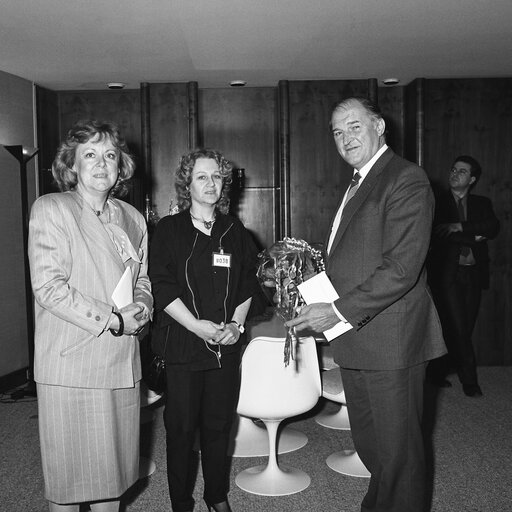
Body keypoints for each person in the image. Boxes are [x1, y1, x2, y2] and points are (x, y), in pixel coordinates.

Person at [286, 97, 446, 512]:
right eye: (337, 132)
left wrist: (335, 311)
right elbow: (355, 258)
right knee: (374, 448)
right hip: (359, 338)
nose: (345, 138)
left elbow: (401, 268)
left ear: (379, 126)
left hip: (391, 341)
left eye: (354, 126)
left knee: (398, 455)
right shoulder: (359, 181)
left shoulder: (405, 178)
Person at [28, 120, 152, 512]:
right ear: (72, 166)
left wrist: (144, 305)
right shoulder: (53, 209)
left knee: (112, 481)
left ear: (121, 165)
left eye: (110, 155)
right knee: (69, 482)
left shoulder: (132, 217)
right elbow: (49, 288)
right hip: (73, 366)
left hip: (120, 365)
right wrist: (114, 319)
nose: (102, 164)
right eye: (90, 155)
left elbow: (143, 277)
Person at [149, 148, 260, 512]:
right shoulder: (169, 229)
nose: (210, 183)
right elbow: (162, 287)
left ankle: (217, 496)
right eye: (202, 176)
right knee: (180, 431)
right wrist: (196, 326)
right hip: (183, 344)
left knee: (217, 427)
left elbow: (248, 284)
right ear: (187, 184)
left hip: (224, 347)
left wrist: (236, 325)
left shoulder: (235, 229)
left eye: (216, 176)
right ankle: (181, 502)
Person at [427, 155, 499, 397]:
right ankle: (469, 380)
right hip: (447, 274)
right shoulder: (438, 201)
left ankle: (437, 371)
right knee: (456, 325)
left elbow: (492, 227)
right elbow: (437, 233)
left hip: (474, 273)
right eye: (453, 169)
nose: (455, 174)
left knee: (463, 326)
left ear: (472, 179)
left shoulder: (482, 203)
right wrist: (473, 235)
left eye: (462, 171)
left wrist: (460, 227)